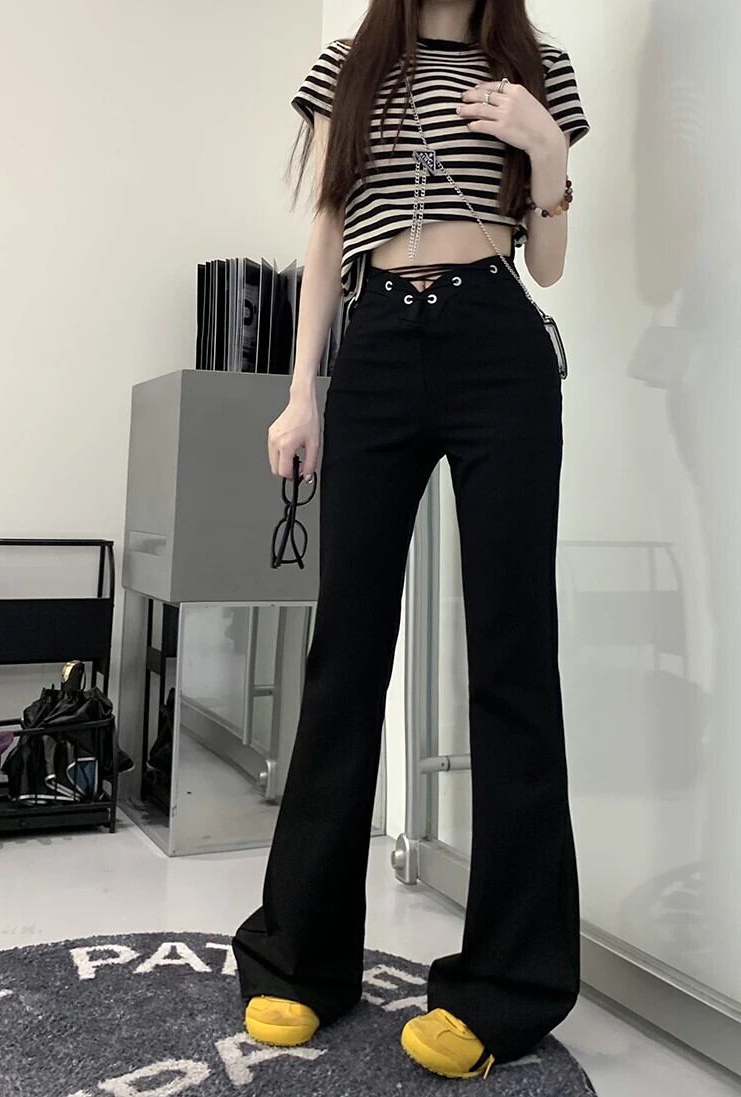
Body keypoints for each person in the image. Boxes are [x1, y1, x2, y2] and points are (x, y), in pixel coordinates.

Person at [232, 0, 591, 1080]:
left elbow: (549, 264)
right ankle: (300, 958)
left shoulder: (537, 67)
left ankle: (508, 985)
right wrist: (302, 393)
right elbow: (327, 230)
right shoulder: (352, 65)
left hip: (497, 347)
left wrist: (545, 153)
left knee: (513, 654)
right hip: (379, 344)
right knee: (345, 653)